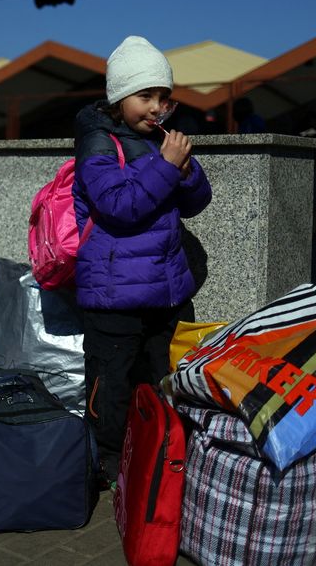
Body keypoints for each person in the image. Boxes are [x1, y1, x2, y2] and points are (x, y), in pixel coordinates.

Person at [72, 36, 212, 487]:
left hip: (166, 290)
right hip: (115, 295)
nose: (156, 108)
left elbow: (195, 203)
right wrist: (168, 167)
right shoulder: (98, 142)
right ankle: (106, 461)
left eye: (164, 98)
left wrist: (186, 173)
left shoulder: (162, 142)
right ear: (118, 96)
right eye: (144, 97)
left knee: (166, 378)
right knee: (110, 386)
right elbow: (118, 205)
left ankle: (164, 453)